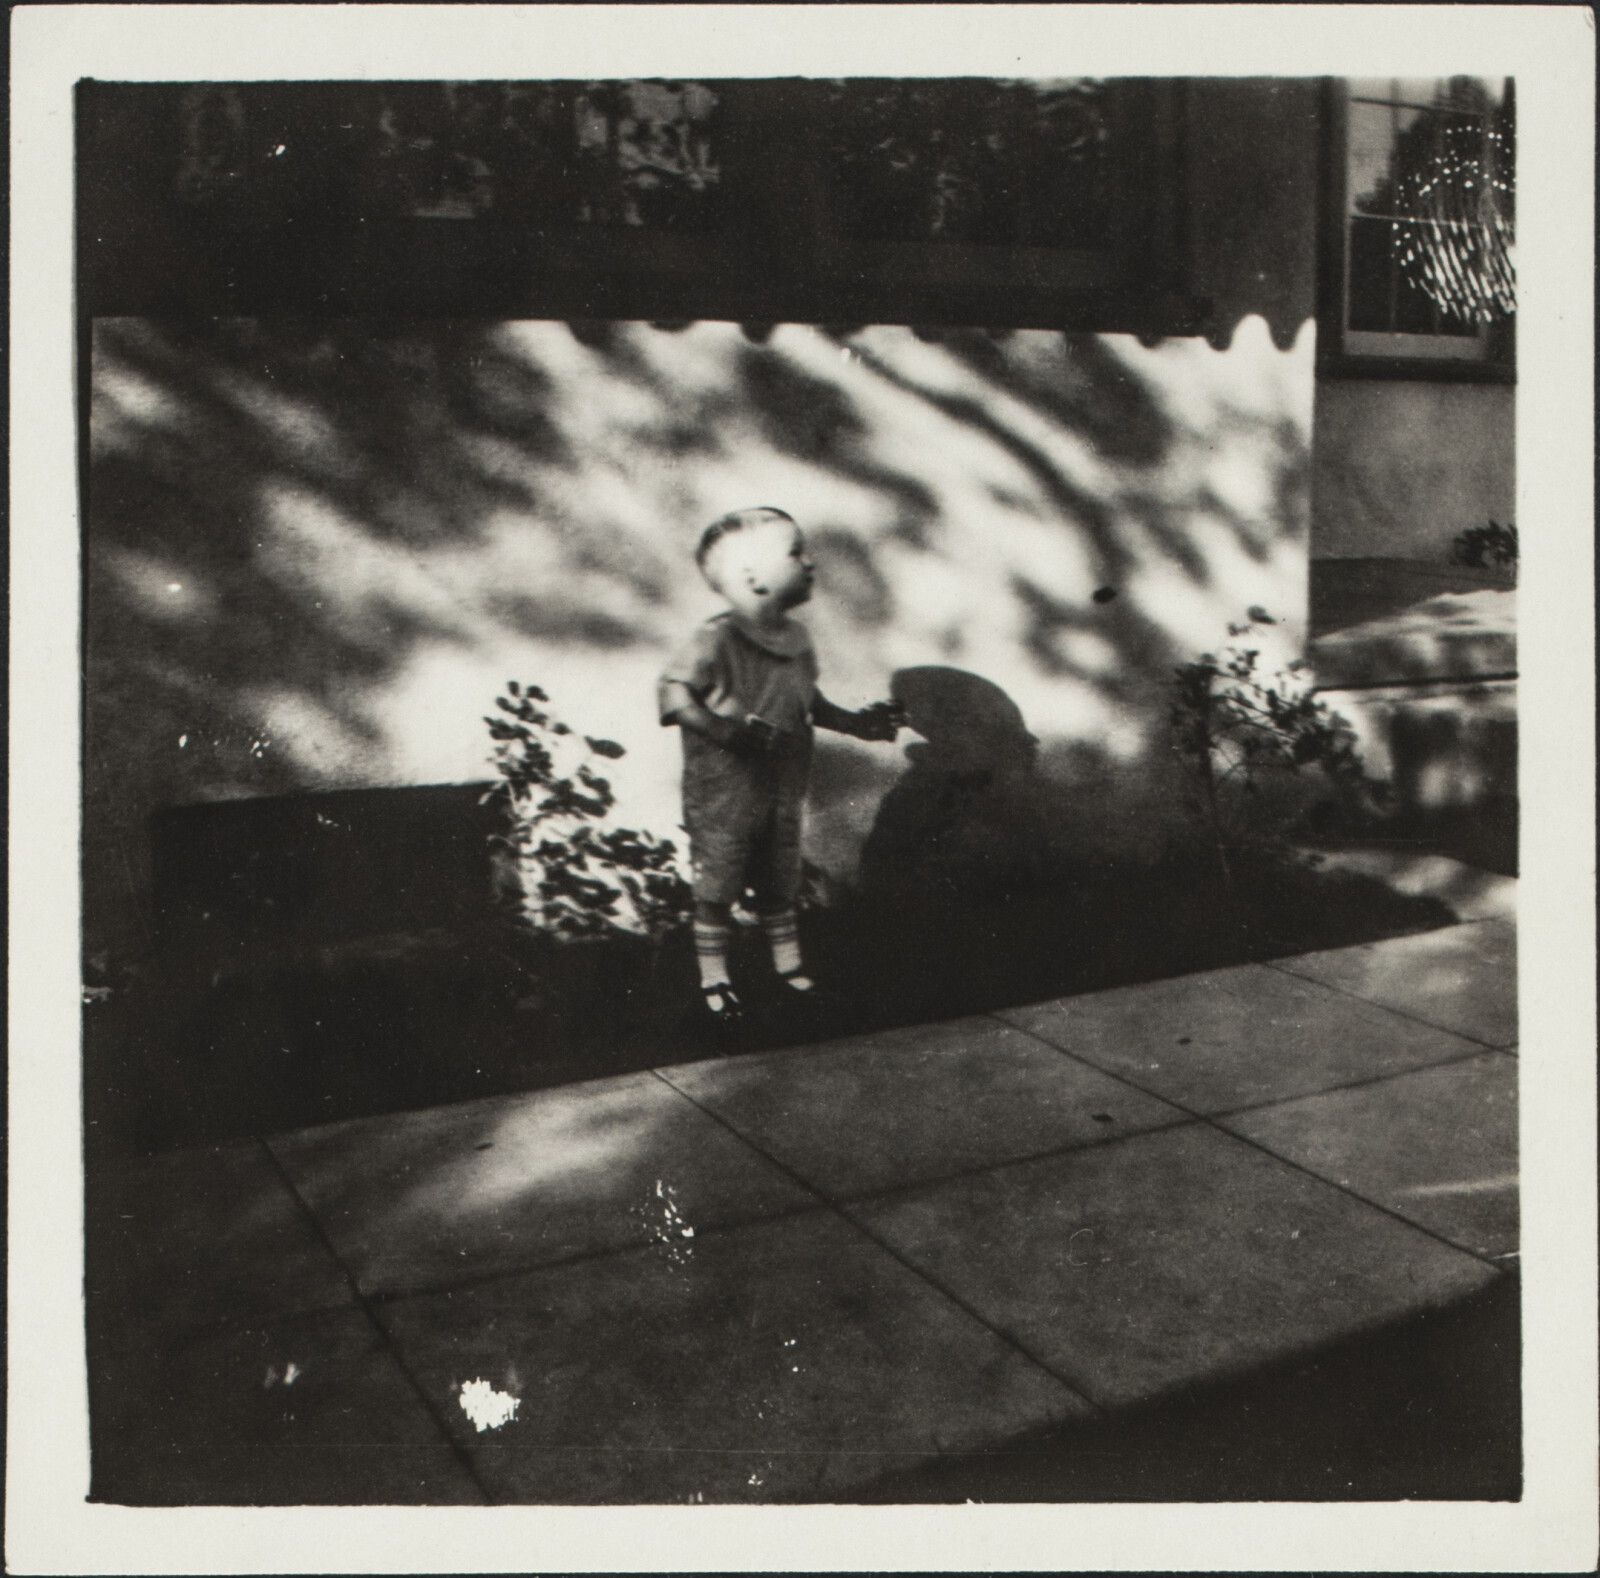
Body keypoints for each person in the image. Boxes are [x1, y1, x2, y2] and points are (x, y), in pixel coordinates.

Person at [658, 507, 902, 1024]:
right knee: (718, 880)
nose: (809, 563)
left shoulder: (796, 639)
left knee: (779, 873)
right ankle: (714, 979)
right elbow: (674, 692)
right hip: (725, 787)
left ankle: (788, 969)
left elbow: (802, 698)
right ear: (751, 576)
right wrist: (727, 731)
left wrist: (855, 724)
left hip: (782, 781)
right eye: (796, 553)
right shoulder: (716, 639)